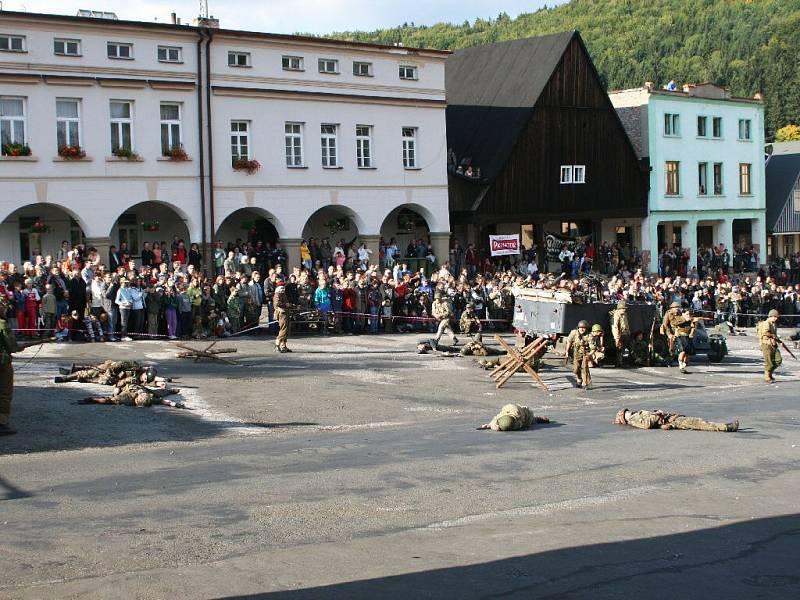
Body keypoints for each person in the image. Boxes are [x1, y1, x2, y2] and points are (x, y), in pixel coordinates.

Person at [0, 300, 45, 435]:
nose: (5, 309)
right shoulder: (2, 324)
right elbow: (12, 346)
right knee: (4, 392)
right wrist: (21, 346)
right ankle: (1, 423)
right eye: (3, 307)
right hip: (2, 364)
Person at [614, 408, 738, 432]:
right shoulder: (634, 419)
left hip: (671, 419)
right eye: (624, 412)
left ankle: (725, 427)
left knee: (699, 422)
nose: (627, 412)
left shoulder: (636, 416)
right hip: (671, 421)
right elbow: (647, 424)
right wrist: (657, 414)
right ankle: (726, 427)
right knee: (700, 423)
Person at [80, 381, 186, 408]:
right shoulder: (127, 398)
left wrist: (174, 404)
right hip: (130, 386)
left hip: (142, 389)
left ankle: (171, 390)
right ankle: (171, 390)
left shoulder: (147, 397)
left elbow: (164, 401)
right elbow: (164, 401)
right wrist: (91, 400)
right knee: (160, 393)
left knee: (161, 393)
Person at [661, 301, 696, 374]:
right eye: (676, 307)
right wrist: (669, 334)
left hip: (678, 331)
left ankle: (681, 362)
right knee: (670, 347)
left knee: (683, 349)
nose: (677, 309)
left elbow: (682, 321)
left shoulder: (680, 313)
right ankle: (668, 360)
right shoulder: (669, 313)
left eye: (678, 307)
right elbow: (666, 325)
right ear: (672, 308)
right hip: (670, 330)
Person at [477, 403, 550, 431]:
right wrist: (489, 425)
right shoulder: (504, 414)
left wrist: (492, 426)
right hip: (512, 414)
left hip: (526, 413)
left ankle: (538, 419)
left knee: (531, 420)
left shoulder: (519, 418)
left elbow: (496, 419)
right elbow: (496, 418)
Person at [756, 309, 782, 383]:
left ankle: (770, 373)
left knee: (778, 360)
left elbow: (774, 334)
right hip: (766, 344)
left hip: (773, 344)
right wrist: (773, 335)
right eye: (775, 316)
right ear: (771, 316)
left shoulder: (774, 324)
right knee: (769, 362)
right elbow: (765, 333)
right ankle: (767, 377)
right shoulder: (767, 323)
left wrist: (778, 340)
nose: (776, 318)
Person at [565, 320, 593, 389]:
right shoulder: (574, 333)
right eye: (580, 327)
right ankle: (579, 379)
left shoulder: (589, 335)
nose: (582, 329)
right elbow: (569, 341)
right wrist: (567, 351)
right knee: (576, 369)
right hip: (576, 353)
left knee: (584, 368)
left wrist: (589, 354)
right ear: (578, 328)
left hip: (585, 353)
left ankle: (586, 383)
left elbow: (593, 348)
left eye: (584, 327)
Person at [273, 281, 296, 353]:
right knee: (283, 329)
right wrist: (287, 305)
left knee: (286, 330)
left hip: (286, 312)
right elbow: (278, 303)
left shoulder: (283, 294)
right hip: (281, 313)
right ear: (278, 288)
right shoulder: (277, 294)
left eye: (283, 288)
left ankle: (283, 346)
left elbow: (285, 303)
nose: (283, 289)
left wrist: (291, 305)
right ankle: (277, 344)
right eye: (281, 288)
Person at [610, 300, 631, 367]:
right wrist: (616, 338)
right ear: (619, 308)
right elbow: (615, 327)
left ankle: (622, 361)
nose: (624, 310)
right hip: (619, 334)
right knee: (619, 348)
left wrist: (628, 332)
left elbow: (626, 324)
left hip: (625, 333)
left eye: (625, 308)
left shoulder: (625, 314)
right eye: (623, 308)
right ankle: (619, 363)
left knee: (623, 348)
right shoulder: (616, 315)